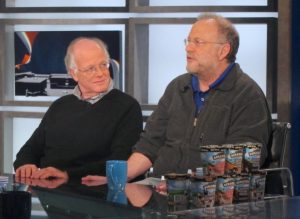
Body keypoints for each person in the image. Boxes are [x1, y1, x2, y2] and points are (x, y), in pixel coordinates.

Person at [82, 13, 272, 183]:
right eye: (187, 41)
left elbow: (240, 162)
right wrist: (118, 178)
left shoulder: (247, 95)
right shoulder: (177, 87)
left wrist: (185, 185)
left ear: (223, 51)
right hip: (160, 188)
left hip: (211, 199)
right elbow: (151, 143)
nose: (188, 48)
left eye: (198, 42)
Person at [14, 37, 143, 179]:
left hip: (94, 193)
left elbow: (119, 161)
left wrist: (67, 175)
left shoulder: (127, 107)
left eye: (103, 65)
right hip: (51, 192)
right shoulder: (60, 105)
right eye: (91, 69)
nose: (100, 73)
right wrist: (25, 164)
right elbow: (30, 149)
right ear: (73, 73)